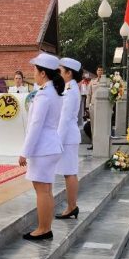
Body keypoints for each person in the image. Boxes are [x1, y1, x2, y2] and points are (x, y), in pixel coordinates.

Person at [19, 52, 64, 240]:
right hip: (50, 145)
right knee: (46, 190)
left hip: (43, 148)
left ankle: (43, 229)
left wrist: (25, 152)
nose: (34, 74)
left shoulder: (44, 95)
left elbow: (35, 126)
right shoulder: (53, 92)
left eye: (35, 70)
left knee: (42, 191)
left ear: (43, 73)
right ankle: (46, 227)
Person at [55, 56, 82, 219]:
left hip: (68, 137)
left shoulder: (71, 91)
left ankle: (72, 207)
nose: (59, 73)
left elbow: (64, 119)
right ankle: (72, 206)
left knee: (69, 172)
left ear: (69, 73)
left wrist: (58, 141)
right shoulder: (69, 88)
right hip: (69, 136)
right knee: (69, 172)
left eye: (61, 71)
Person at [85, 65, 104, 150]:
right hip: (93, 106)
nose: (100, 72)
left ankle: (102, 144)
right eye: (98, 70)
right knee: (93, 125)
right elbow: (89, 94)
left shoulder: (107, 81)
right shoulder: (92, 81)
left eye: (101, 70)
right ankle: (94, 143)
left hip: (103, 107)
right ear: (96, 71)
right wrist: (87, 106)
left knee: (101, 125)